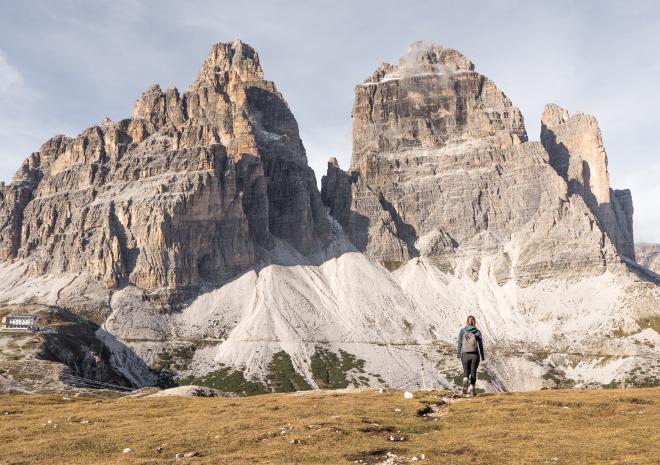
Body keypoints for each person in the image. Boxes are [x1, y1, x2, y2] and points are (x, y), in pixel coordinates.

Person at [457, 315, 485, 396]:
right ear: (474, 322)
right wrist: (482, 356)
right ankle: (472, 389)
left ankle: (465, 380)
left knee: (466, 371)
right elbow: (480, 345)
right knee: (473, 372)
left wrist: (459, 354)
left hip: (465, 355)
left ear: (467, 322)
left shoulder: (462, 331)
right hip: (475, 355)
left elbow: (459, 343)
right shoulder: (477, 332)